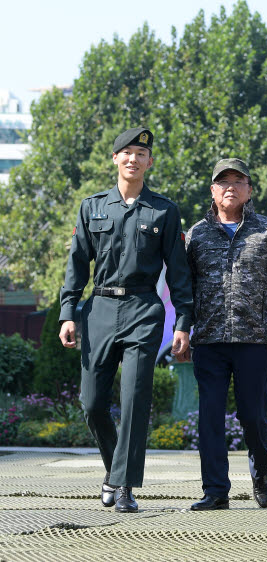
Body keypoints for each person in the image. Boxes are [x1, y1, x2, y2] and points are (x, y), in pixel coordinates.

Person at [58, 127, 194, 513]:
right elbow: (76, 266)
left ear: (149, 162)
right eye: (126, 153)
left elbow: (179, 273)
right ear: (115, 159)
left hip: (143, 310)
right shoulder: (93, 207)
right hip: (98, 310)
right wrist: (69, 312)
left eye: (141, 154)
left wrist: (183, 322)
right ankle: (113, 472)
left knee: (134, 398)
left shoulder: (164, 211)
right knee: (92, 404)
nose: (133, 159)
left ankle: (125, 486)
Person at [184, 158, 267, 511]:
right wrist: (183, 329)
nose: (230, 186)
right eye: (223, 181)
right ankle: (215, 491)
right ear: (213, 190)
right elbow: (185, 287)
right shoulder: (197, 234)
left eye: (238, 180)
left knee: (253, 415)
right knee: (210, 417)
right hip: (210, 340)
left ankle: (261, 466)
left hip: (254, 339)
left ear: (249, 189)